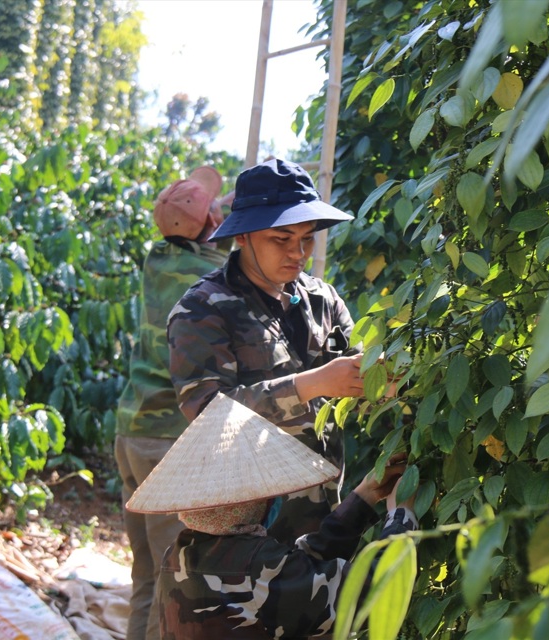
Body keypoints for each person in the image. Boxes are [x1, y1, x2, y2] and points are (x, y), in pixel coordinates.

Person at [167, 158, 362, 545]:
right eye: (282, 239)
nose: (299, 252)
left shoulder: (322, 299)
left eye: (307, 239)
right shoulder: (203, 308)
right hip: (244, 536)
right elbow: (207, 415)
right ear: (243, 237)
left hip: (322, 516)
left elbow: (359, 368)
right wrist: (309, 385)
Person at [125, 393, 418, 639]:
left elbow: (295, 569)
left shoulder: (178, 554)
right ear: (255, 503)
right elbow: (372, 591)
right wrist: (402, 516)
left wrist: (362, 500)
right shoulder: (258, 570)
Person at [114, 165, 232, 640]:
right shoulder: (208, 275)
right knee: (174, 582)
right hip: (168, 442)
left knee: (146, 573)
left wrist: (207, 214)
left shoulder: (155, 259)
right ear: (208, 226)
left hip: (131, 430)